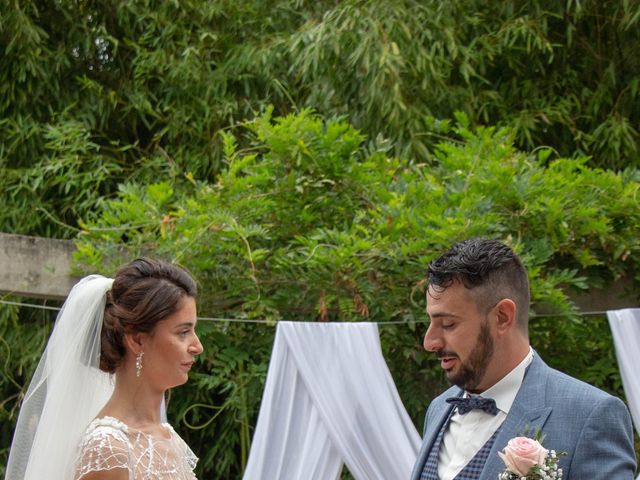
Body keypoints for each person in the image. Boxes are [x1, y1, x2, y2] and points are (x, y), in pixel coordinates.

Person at [410, 238, 637, 480]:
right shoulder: (438, 408)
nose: (429, 342)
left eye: (448, 324)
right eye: (430, 322)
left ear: (502, 317)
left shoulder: (590, 416)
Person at [5, 258, 204, 480]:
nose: (197, 346)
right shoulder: (108, 451)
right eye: (183, 332)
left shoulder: (169, 438)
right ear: (137, 341)